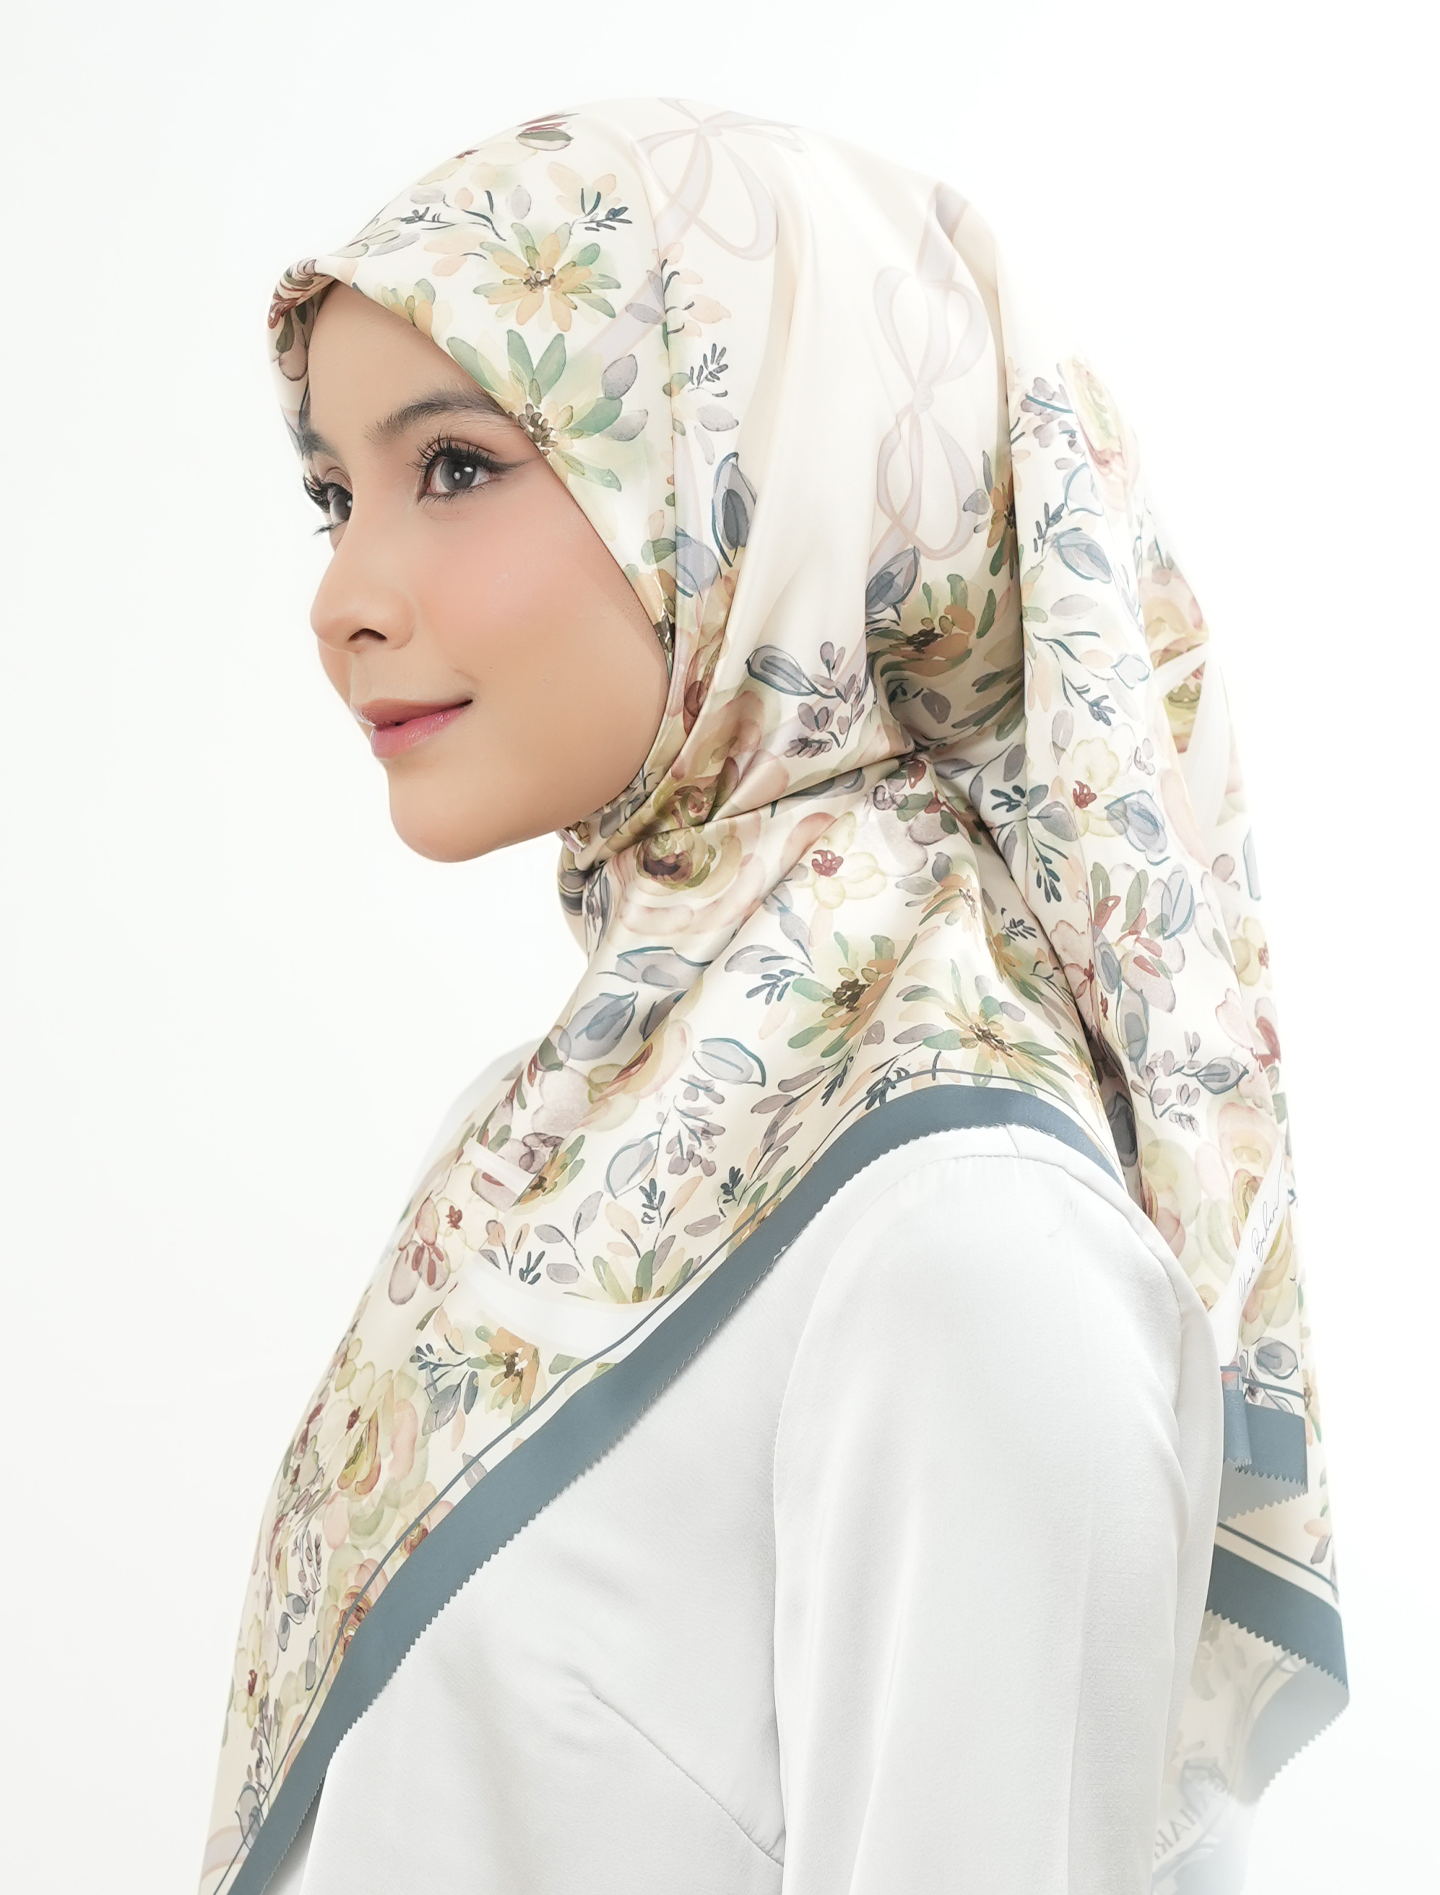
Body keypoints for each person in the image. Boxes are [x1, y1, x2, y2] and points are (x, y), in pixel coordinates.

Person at [199, 99, 1345, 1895]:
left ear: (768, 488)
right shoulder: (540, 1147)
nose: (341, 595)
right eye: (335, 495)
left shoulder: (963, 1245)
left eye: (460, 467)